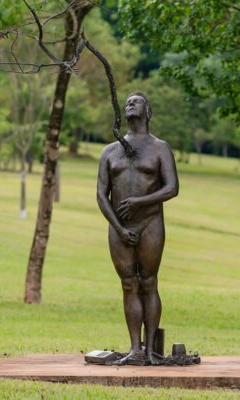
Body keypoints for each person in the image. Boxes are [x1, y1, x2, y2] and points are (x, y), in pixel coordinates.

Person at [96, 92, 179, 365]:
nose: (130, 103)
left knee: (149, 282)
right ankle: (135, 348)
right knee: (128, 284)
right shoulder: (109, 151)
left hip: (150, 222)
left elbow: (171, 188)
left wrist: (140, 202)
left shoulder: (160, 148)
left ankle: (153, 349)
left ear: (148, 111)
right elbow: (101, 194)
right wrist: (119, 228)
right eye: (127, 101)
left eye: (137, 101)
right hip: (119, 227)